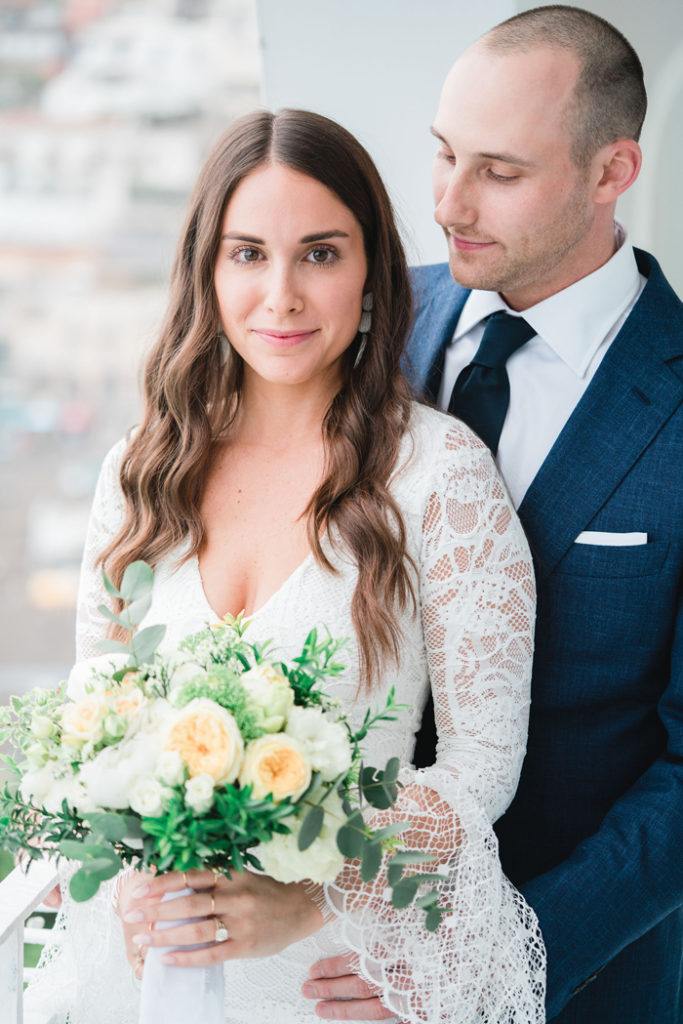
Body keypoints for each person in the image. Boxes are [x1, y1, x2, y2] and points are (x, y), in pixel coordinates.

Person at [26, 108, 544, 1024]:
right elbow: (92, 720)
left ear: (371, 269)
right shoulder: (138, 472)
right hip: (158, 975)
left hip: (340, 977)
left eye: (319, 253)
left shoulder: (437, 473)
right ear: (207, 269)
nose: (282, 297)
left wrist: (313, 900)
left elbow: (479, 766)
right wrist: (129, 884)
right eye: (248, 254)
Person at [304, 6, 683, 1024]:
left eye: (499, 173)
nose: (448, 202)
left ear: (611, 173)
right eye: (441, 155)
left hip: (581, 982)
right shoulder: (358, 327)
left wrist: (488, 961)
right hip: (316, 957)